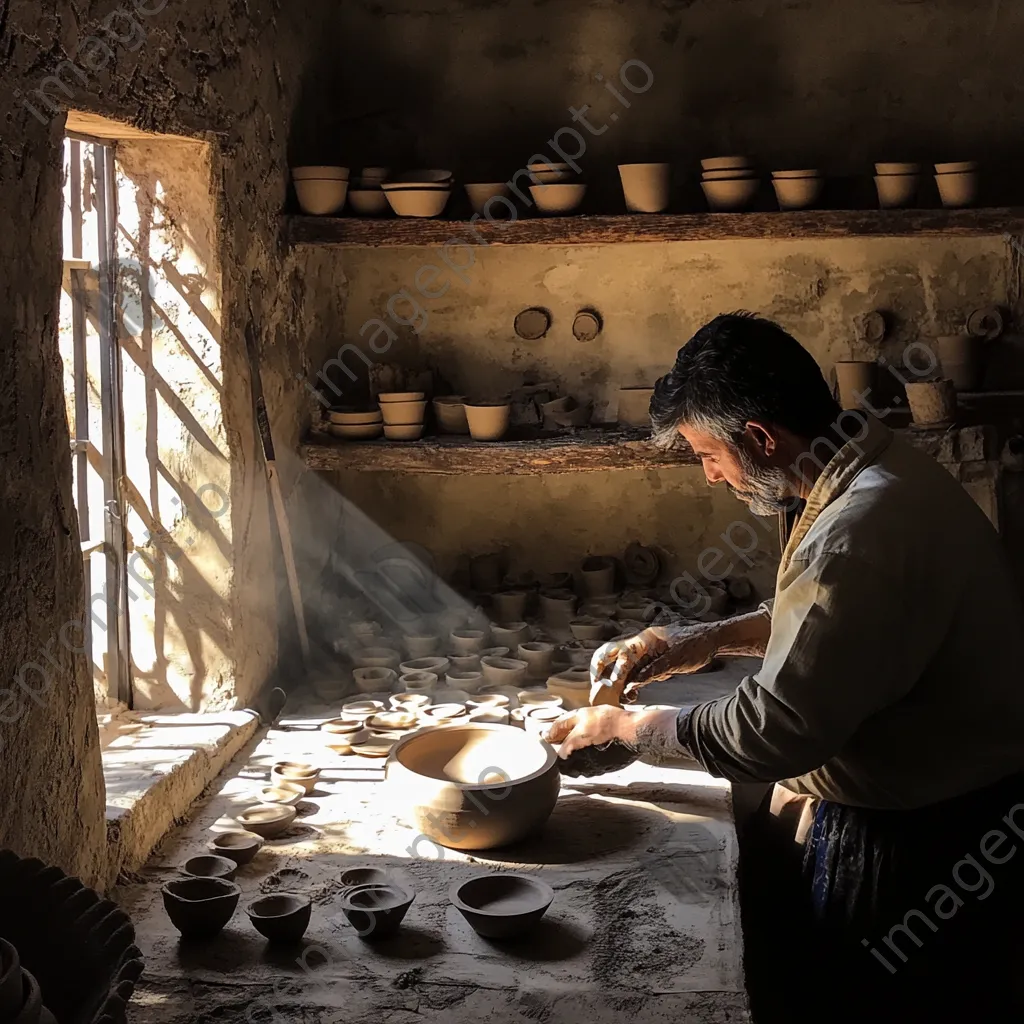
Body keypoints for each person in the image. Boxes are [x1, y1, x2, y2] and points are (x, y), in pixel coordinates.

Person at [545, 313, 1024, 1022]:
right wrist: (700, 641)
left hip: (923, 841)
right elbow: (839, 623)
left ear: (762, 439)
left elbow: (777, 731)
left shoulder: (859, 527)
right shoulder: (871, 462)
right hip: (946, 804)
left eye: (708, 455)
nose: (710, 476)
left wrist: (629, 728)